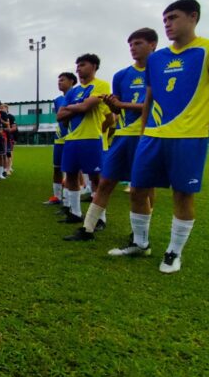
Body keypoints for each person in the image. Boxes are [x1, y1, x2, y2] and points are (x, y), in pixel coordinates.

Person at [125, 0, 209, 273]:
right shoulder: (157, 59)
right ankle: (140, 244)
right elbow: (150, 99)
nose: (167, 24)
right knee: (138, 190)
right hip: (152, 136)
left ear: (193, 17)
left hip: (189, 137)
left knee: (183, 195)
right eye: (164, 20)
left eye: (173, 18)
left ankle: (174, 253)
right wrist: (142, 135)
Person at [65, 28, 158, 241]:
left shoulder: (159, 72)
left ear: (153, 44)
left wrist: (121, 104)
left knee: (144, 186)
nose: (133, 48)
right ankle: (87, 228)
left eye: (139, 43)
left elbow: (154, 104)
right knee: (105, 182)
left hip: (148, 135)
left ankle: (141, 233)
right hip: (122, 135)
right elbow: (116, 111)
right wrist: (113, 105)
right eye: (131, 44)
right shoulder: (122, 75)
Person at [55, 54, 113, 224]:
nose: (78, 69)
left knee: (96, 178)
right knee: (71, 175)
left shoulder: (101, 84)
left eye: (82, 65)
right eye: (77, 66)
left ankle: (99, 218)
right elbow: (60, 115)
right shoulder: (73, 91)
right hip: (72, 139)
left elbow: (88, 106)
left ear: (94, 66)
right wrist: (78, 107)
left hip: (92, 139)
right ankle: (75, 213)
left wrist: (72, 108)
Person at [44, 73, 77, 204]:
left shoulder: (77, 95)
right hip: (59, 137)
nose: (59, 83)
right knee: (56, 167)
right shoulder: (57, 100)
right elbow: (61, 118)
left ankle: (68, 199)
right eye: (58, 80)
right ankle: (56, 196)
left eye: (62, 80)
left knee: (71, 170)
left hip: (72, 137)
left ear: (72, 81)